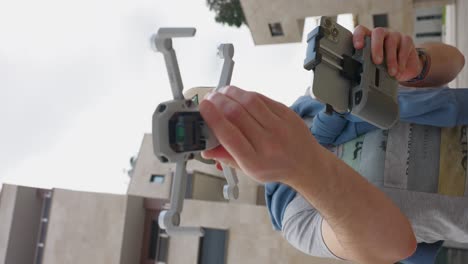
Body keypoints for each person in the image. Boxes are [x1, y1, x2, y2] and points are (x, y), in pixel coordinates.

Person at [199, 25, 467, 264]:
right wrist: (302, 165)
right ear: (221, 162)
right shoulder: (295, 216)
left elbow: (454, 61)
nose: (235, 114)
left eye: (226, 99)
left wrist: (415, 64)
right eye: (217, 126)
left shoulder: (327, 89)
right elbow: (396, 246)